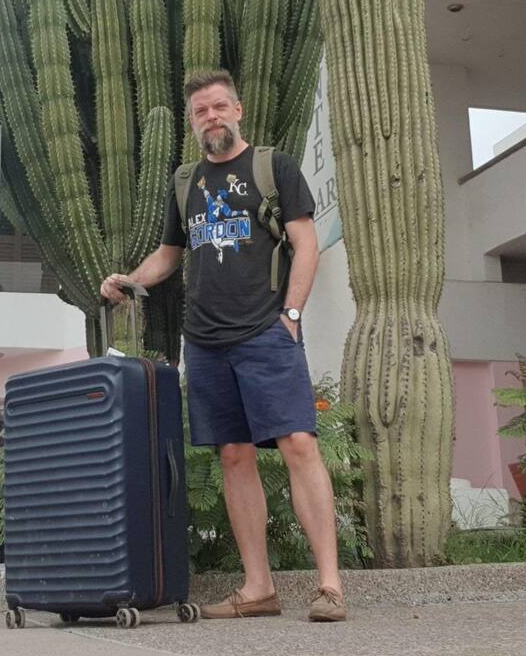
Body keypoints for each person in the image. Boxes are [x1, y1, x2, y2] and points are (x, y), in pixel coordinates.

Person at [100, 69, 346, 623]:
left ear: (237, 110)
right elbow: (169, 254)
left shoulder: (273, 166)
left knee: (299, 445)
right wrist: (129, 280)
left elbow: (307, 245)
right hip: (206, 342)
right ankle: (258, 588)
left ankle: (330, 585)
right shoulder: (185, 182)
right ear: (193, 123)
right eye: (200, 112)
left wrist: (292, 314)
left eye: (218, 107)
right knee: (233, 456)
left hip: (266, 332)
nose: (210, 117)